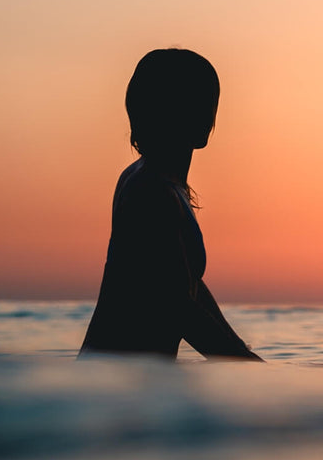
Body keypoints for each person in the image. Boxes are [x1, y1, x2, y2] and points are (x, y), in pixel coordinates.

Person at [79, 49, 263, 361]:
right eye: (192, 102)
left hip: (127, 382)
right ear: (157, 111)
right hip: (117, 386)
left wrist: (245, 356)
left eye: (209, 102)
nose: (207, 114)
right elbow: (178, 307)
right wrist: (249, 368)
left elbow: (190, 288)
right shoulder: (150, 191)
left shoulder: (159, 184)